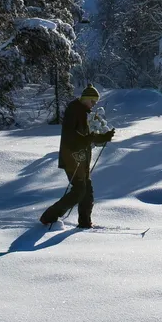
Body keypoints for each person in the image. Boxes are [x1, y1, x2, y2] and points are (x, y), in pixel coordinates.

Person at [40, 85, 115, 228]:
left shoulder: (81, 112)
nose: (94, 104)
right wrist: (92, 138)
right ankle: (48, 216)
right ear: (86, 98)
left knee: (86, 190)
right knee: (79, 191)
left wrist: (103, 137)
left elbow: (86, 137)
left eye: (95, 102)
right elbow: (72, 136)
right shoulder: (74, 111)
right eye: (93, 101)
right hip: (71, 158)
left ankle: (85, 223)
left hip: (81, 159)